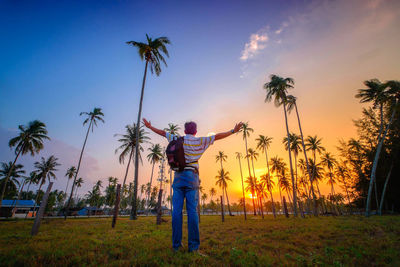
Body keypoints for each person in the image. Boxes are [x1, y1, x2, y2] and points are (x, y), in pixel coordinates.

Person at [142, 118, 243, 253]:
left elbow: (163, 133)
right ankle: (193, 247)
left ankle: (176, 246)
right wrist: (233, 131)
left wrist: (150, 126)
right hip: (191, 177)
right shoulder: (200, 141)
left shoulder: (177, 139)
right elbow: (217, 136)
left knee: (176, 212)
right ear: (195, 131)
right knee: (192, 212)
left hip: (178, 177)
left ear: (184, 131)